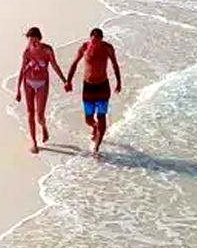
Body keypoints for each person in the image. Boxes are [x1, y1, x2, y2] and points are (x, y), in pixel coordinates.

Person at [66, 27, 122, 156]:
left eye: (97, 41)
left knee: (101, 116)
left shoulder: (107, 48)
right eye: (93, 41)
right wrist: (68, 81)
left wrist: (119, 82)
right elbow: (74, 63)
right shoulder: (84, 48)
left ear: (101, 40)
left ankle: (96, 146)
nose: (95, 44)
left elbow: (114, 64)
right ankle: (95, 127)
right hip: (88, 87)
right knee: (88, 119)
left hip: (103, 87)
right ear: (90, 39)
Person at [15, 27, 68, 154]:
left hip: (42, 84)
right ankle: (34, 141)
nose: (33, 44)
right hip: (28, 83)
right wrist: (18, 90)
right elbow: (22, 70)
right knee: (30, 113)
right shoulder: (27, 52)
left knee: (39, 115)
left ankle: (44, 127)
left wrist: (64, 81)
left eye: (35, 41)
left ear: (40, 39)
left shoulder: (47, 51)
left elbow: (54, 65)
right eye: (30, 41)